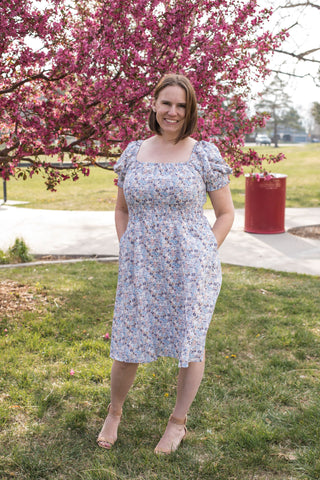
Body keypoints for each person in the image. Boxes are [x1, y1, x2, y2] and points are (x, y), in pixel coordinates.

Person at [97, 73, 234, 454]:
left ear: (189, 111)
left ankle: (177, 423)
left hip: (191, 265)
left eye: (181, 105)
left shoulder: (204, 154)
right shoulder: (133, 152)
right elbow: (122, 209)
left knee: (191, 344)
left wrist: (206, 251)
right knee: (128, 341)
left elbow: (225, 214)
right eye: (166, 103)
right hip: (140, 265)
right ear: (153, 105)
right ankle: (114, 411)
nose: (172, 112)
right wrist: (128, 248)